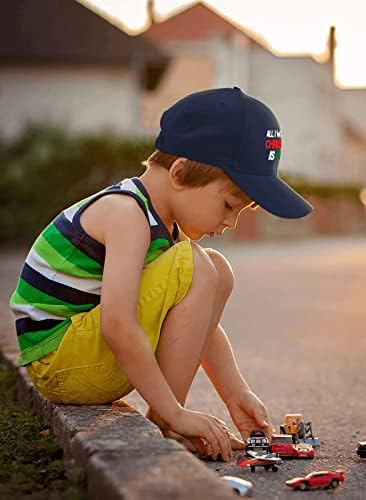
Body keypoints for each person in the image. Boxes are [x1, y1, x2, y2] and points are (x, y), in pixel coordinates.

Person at [10, 87, 313, 461]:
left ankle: (167, 421)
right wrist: (174, 411)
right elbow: (117, 324)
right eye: (229, 204)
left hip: (87, 359)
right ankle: (167, 421)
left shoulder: (163, 226)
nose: (230, 222)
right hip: (59, 362)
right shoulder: (126, 213)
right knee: (202, 266)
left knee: (217, 268)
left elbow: (198, 323)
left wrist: (235, 393)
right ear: (181, 173)